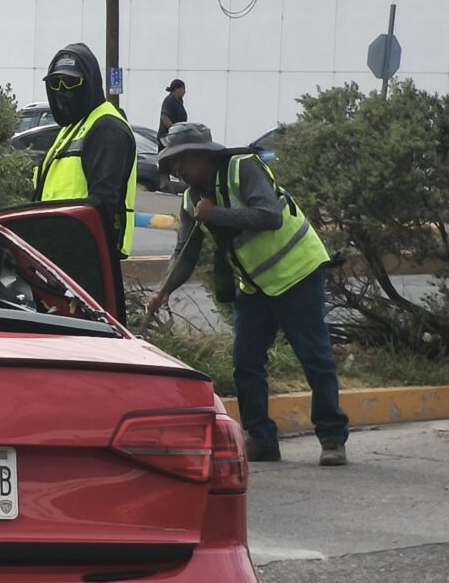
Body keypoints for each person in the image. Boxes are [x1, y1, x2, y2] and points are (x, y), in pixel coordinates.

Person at [144, 123, 349, 468]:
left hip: (298, 273)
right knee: (246, 362)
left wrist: (217, 215)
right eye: (171, 163)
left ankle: (332, 438)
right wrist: (163, 290)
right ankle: (262, 440)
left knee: (315, 358)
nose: (177, 170)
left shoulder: (243, 168)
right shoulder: (191, 199)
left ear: (203, 155)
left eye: (181, 160)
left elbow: (269, 216)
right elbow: (186, 252)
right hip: (255, 287)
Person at [32, 43, 137, 261]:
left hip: (86, 255)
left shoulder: (106, 128)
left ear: (89, 83)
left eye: (71, 82)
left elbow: (103, 203)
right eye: (55, 83)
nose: (62, 90)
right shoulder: (71, 128)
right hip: (58, 252)